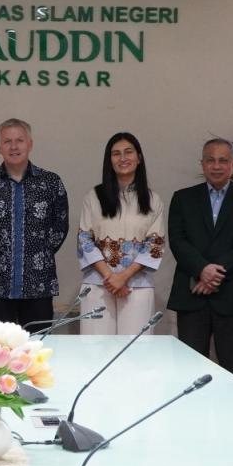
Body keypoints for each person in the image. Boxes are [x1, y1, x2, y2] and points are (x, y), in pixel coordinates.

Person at [167, 138, 233, 376]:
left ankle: (231, 414)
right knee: (189, 370)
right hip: (191, 294)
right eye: (211, 160)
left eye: (222, 160)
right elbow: (178, 241)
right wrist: (202, 269)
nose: (216, 166)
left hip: (231, 296)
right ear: (202, 163)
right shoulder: (182, 199)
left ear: (232, 164)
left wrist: (213, 274)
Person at [0, 118, 69, 329]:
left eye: (20, 140)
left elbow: (60, 227)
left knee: (37, 351)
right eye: (7, 141)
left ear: (30, 144)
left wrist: (37, 254)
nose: (14, 147)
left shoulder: (51, 182)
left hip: (38, 284)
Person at [76, 132, 166, 334]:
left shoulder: (153, 200)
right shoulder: (94, 197)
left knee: (136, 351)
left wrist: (124, 276)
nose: (123, 158)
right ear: (109, 160)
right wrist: (111, 277)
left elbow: (155, 244)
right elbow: (84, 239)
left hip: (138, 285)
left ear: (139, 158)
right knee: (95, 349)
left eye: (128, 152)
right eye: (116, 154)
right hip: (98, 284)